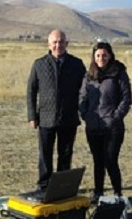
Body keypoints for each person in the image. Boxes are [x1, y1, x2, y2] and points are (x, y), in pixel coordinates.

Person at [26, 29, 87, 190]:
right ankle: (44, 185)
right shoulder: (39, 64)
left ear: (66, 44)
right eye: (55, 42)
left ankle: (61, 185)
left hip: (69, 117)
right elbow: (31, 90)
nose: (58, 45)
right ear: (49, 44)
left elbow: (85, 89)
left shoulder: (77, 64)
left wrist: (84, 110)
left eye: (61, 42)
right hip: (46, 118)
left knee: (65, 154)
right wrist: (32, 116)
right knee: (45, 154)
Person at [78, 41, 132, 203]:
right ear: (94, 57)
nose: (101, 58)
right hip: (93, 126)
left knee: (110, 160)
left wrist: (116, 116)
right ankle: (98, 192)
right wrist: (85, 114)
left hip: (112, 127)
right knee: (97, 161)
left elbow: (126, 98)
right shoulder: (89, 76)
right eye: (98, 55)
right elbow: (82, 97)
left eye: (104, 55)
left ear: (110, 56)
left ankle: (117, 194)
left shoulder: (119, 73)